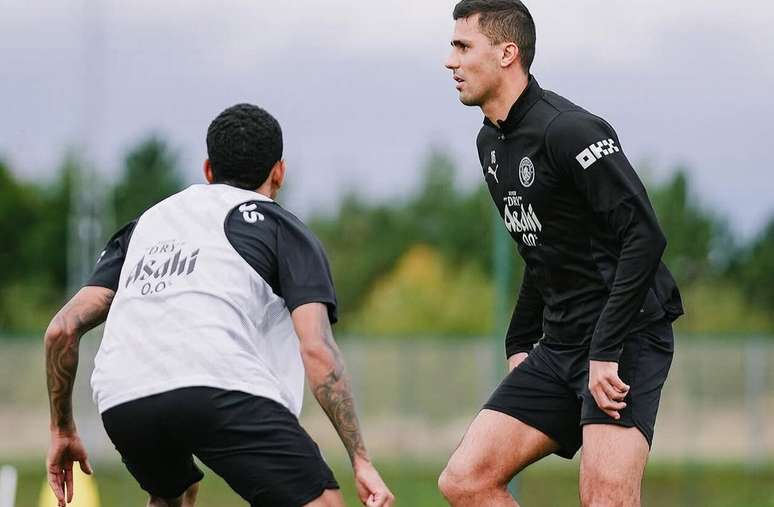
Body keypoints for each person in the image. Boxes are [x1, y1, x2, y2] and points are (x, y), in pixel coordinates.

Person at [44, 103, 394, 507]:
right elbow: (317, 349)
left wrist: (62, 430)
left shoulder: (145, 226)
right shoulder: (281, 228)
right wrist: (360, 459)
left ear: (208, 170)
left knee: (172, 495)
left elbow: (62, 330)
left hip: (122, 398)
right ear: (279, 172)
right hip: (217, 385)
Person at [438, 1, 684, 506]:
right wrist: (519, 340)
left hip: (624, 337)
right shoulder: (490, 143)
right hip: (561, 343)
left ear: (507, 53)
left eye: (463, 46)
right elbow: (541, 248)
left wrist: (605, 350)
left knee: (604, 498)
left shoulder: (570, 130)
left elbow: (644, 236)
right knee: (465, 480)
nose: (450, 60)